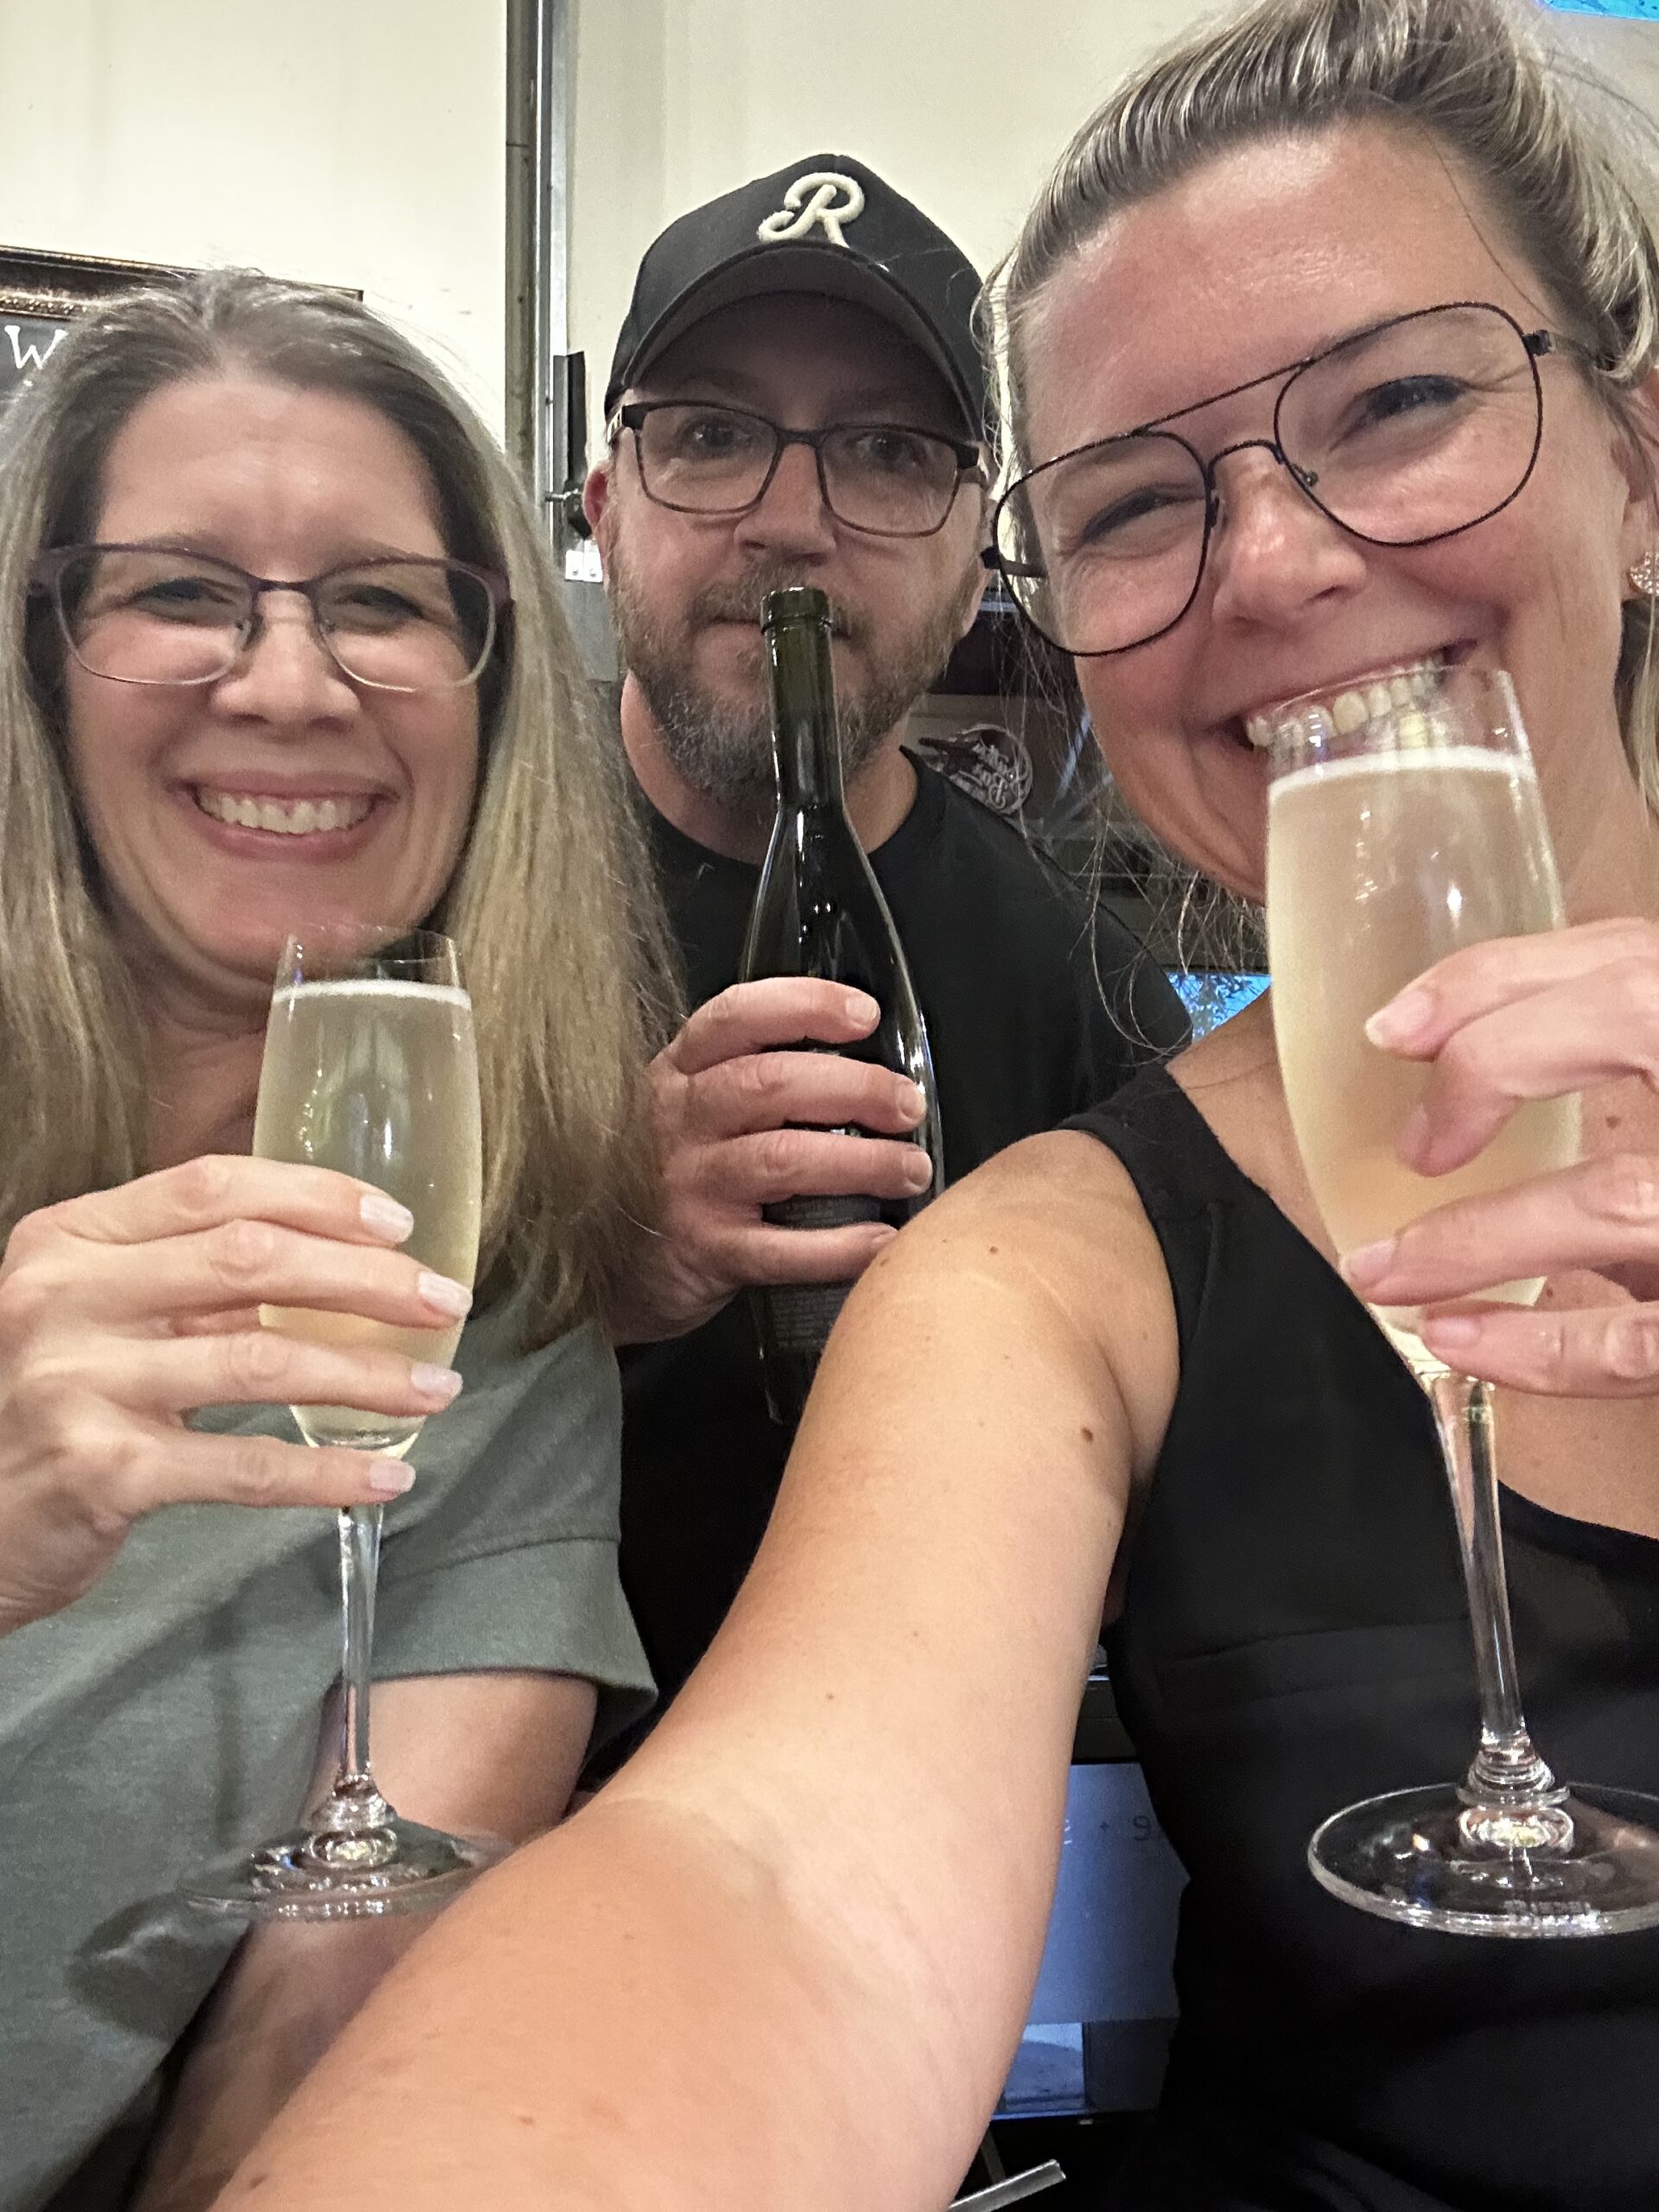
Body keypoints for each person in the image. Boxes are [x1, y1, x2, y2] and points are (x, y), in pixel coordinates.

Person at [205, 0, 1659, 2206]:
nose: (1270, 561)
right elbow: (771, 1864)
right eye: (1144, 496)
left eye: (1403, 400)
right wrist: (615, 1278)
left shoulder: (1026, 938)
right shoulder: (412, 877)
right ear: (600, 488)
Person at [0, 269, 676, 2212]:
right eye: (182, 590)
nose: (289, 682)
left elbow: (340, 1998)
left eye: (379, 601)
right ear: (46, 657)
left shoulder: (500, 1298)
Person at [582, 155, 1188, 1745]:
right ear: (605, 504)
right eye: (711, 435)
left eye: (889, 452)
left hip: (909, 1802)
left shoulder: (1066, 963)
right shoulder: (432, 891)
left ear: (978, 544)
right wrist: (575, 1274)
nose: (794, 523)